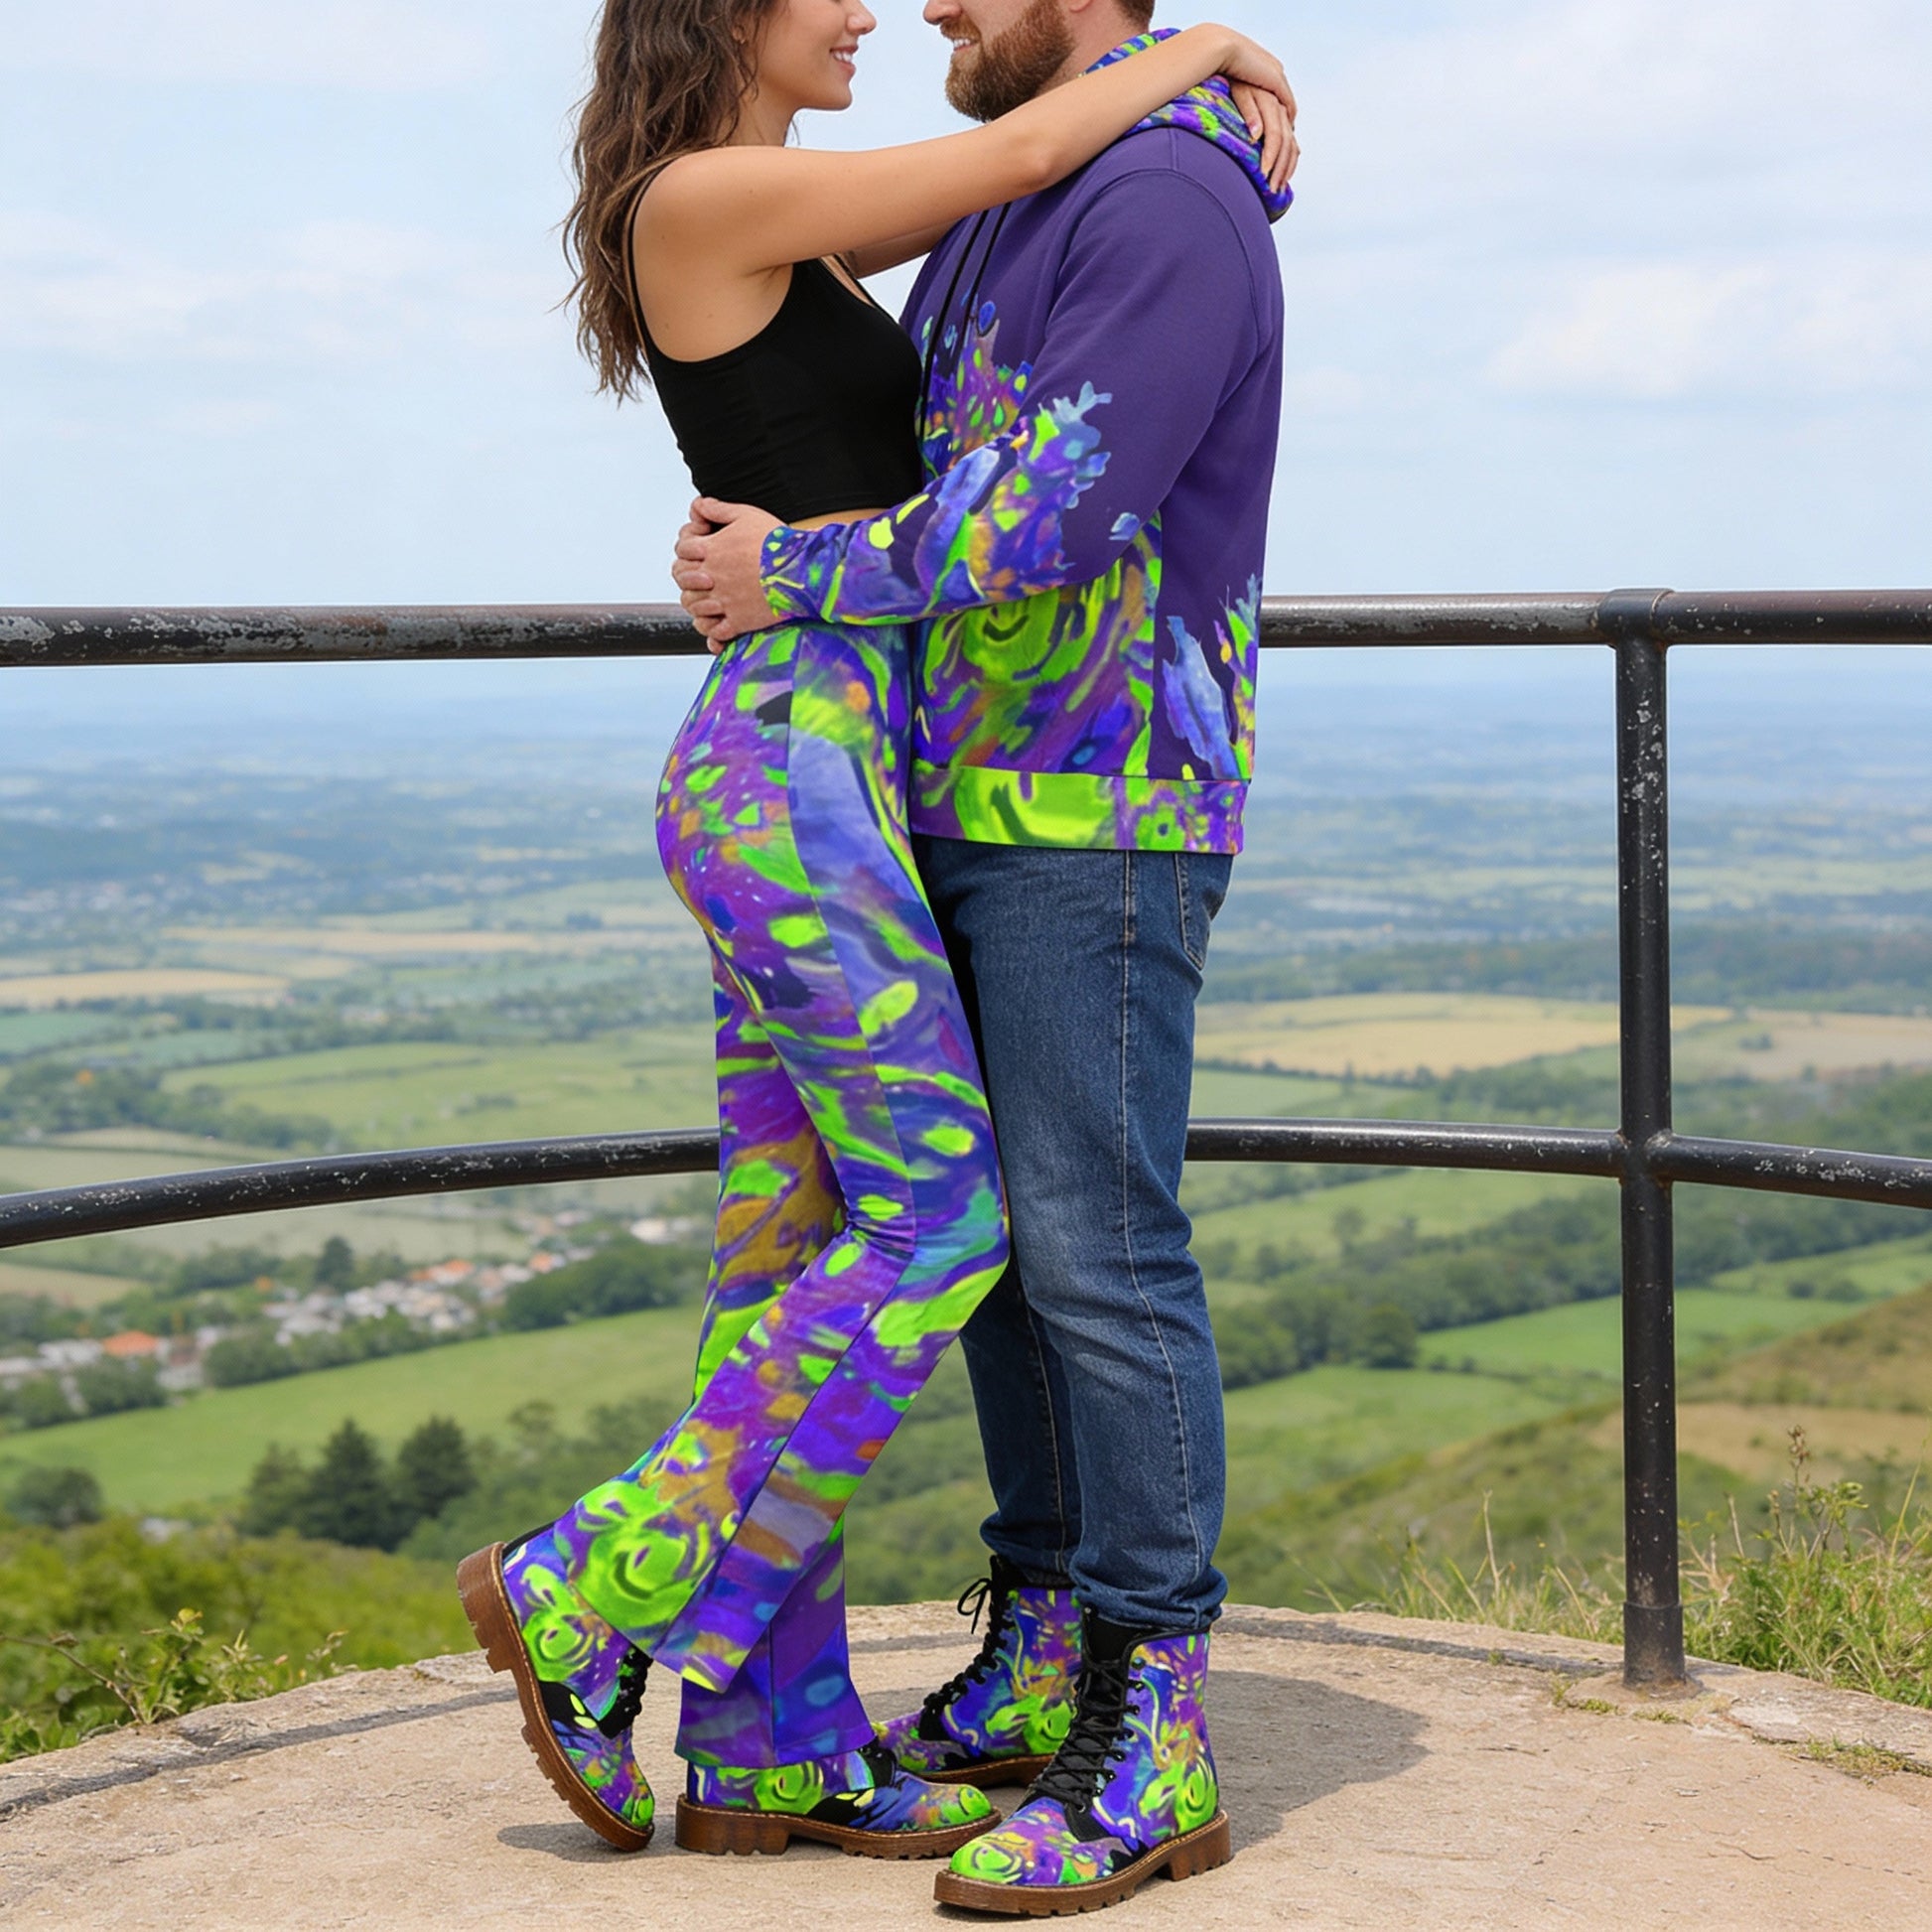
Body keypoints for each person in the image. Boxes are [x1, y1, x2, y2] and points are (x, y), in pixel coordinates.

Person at [456, 0, 1295, 1894]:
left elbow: (1033, 197)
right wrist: (1214, 46)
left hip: (874, 771)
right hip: (803, 775)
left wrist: (1182, 62)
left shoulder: (866, 214)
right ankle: (588, 1578)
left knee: (797, 1251)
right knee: (949, 1226)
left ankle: (767, 1734)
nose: (884, 5)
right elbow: (1019, 150)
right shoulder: (718, 194)